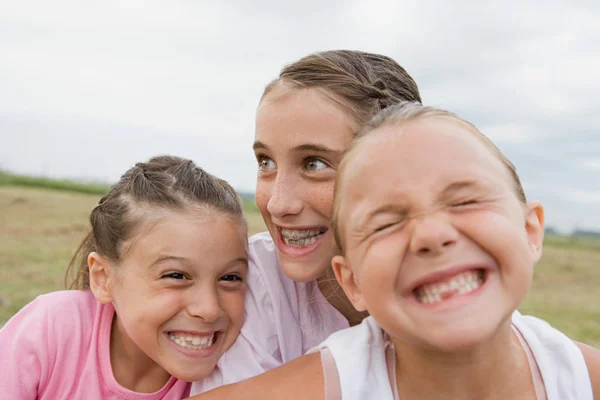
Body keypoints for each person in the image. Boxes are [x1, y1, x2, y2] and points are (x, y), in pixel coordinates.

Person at [195, 103, 600, 399]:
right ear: (351, 281)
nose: (431, 235)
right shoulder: (327, 387)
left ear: (530, 230)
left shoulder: (582, 381)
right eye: (386, 222)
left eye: (464, 201)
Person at [189, 50, 423, 394]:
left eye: (314, 164)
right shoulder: (251, 277)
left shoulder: (447, 282)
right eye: (265, 162)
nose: (278, 204)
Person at [0, 156, 250, 399]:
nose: (208, 309)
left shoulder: (237, 372)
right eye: (176, 275)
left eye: (229, 277)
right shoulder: (51, 328)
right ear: (103, 277)